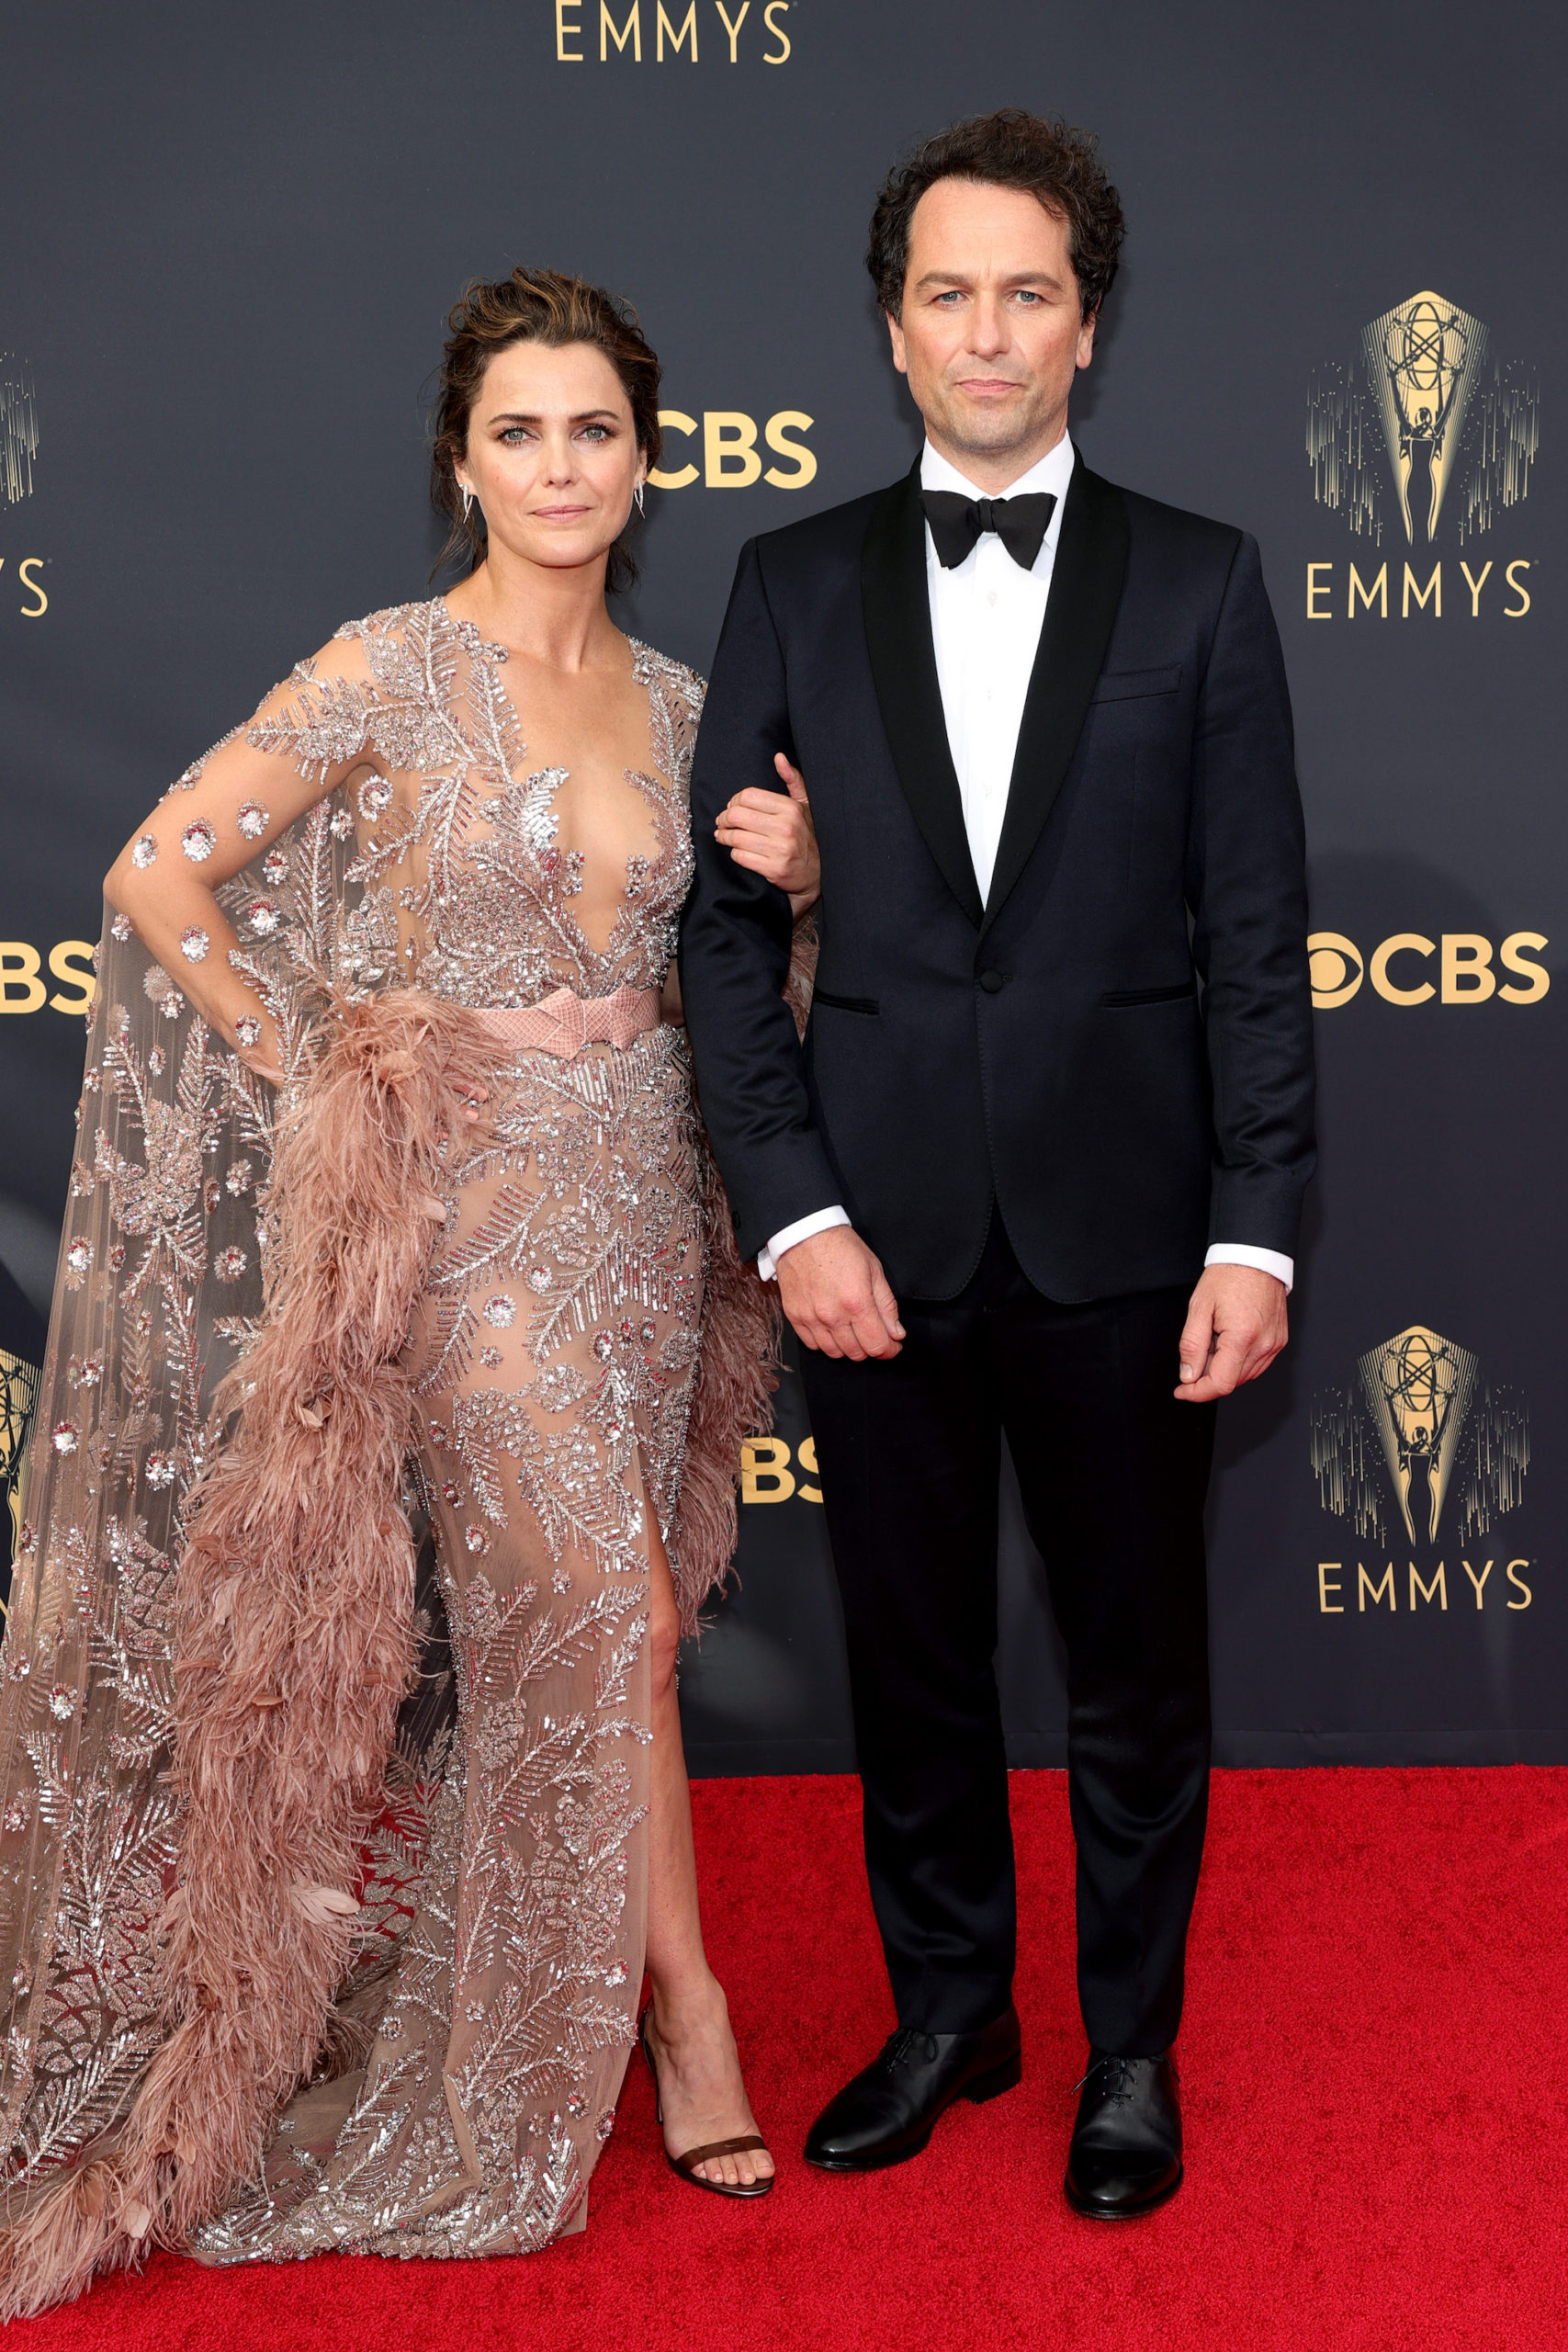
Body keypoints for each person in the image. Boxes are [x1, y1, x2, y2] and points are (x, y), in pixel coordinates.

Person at [0, 266, 821, 2313]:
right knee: (599, 1609)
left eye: (595, 429)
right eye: (519, 429)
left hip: (645, 1202)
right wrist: (314, 1063)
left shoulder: (685, 697)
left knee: (621, 1620)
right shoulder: (382, 668)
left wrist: (794, 888)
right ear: (461, 459)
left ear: (649, 460)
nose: (560, 465)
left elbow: (730, 981)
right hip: (462, 1223)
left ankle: (634, 2001)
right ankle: (683, 2018)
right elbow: (155, 867)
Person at [682, 110, 1315, 2218]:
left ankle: (1124, 2043)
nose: (984, 329)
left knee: (1138, 1671)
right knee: (914, 1655)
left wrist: (1254, 1227)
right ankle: (953, 2002)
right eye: (944, 291)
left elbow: (1250, 938)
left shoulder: (1203, 580)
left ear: (1085, 322)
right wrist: (790, 1211)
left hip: (1131, 1229)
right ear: (888, 328)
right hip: (873, 1232)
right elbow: (711, 931)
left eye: (1023, 289)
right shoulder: (784, 582)